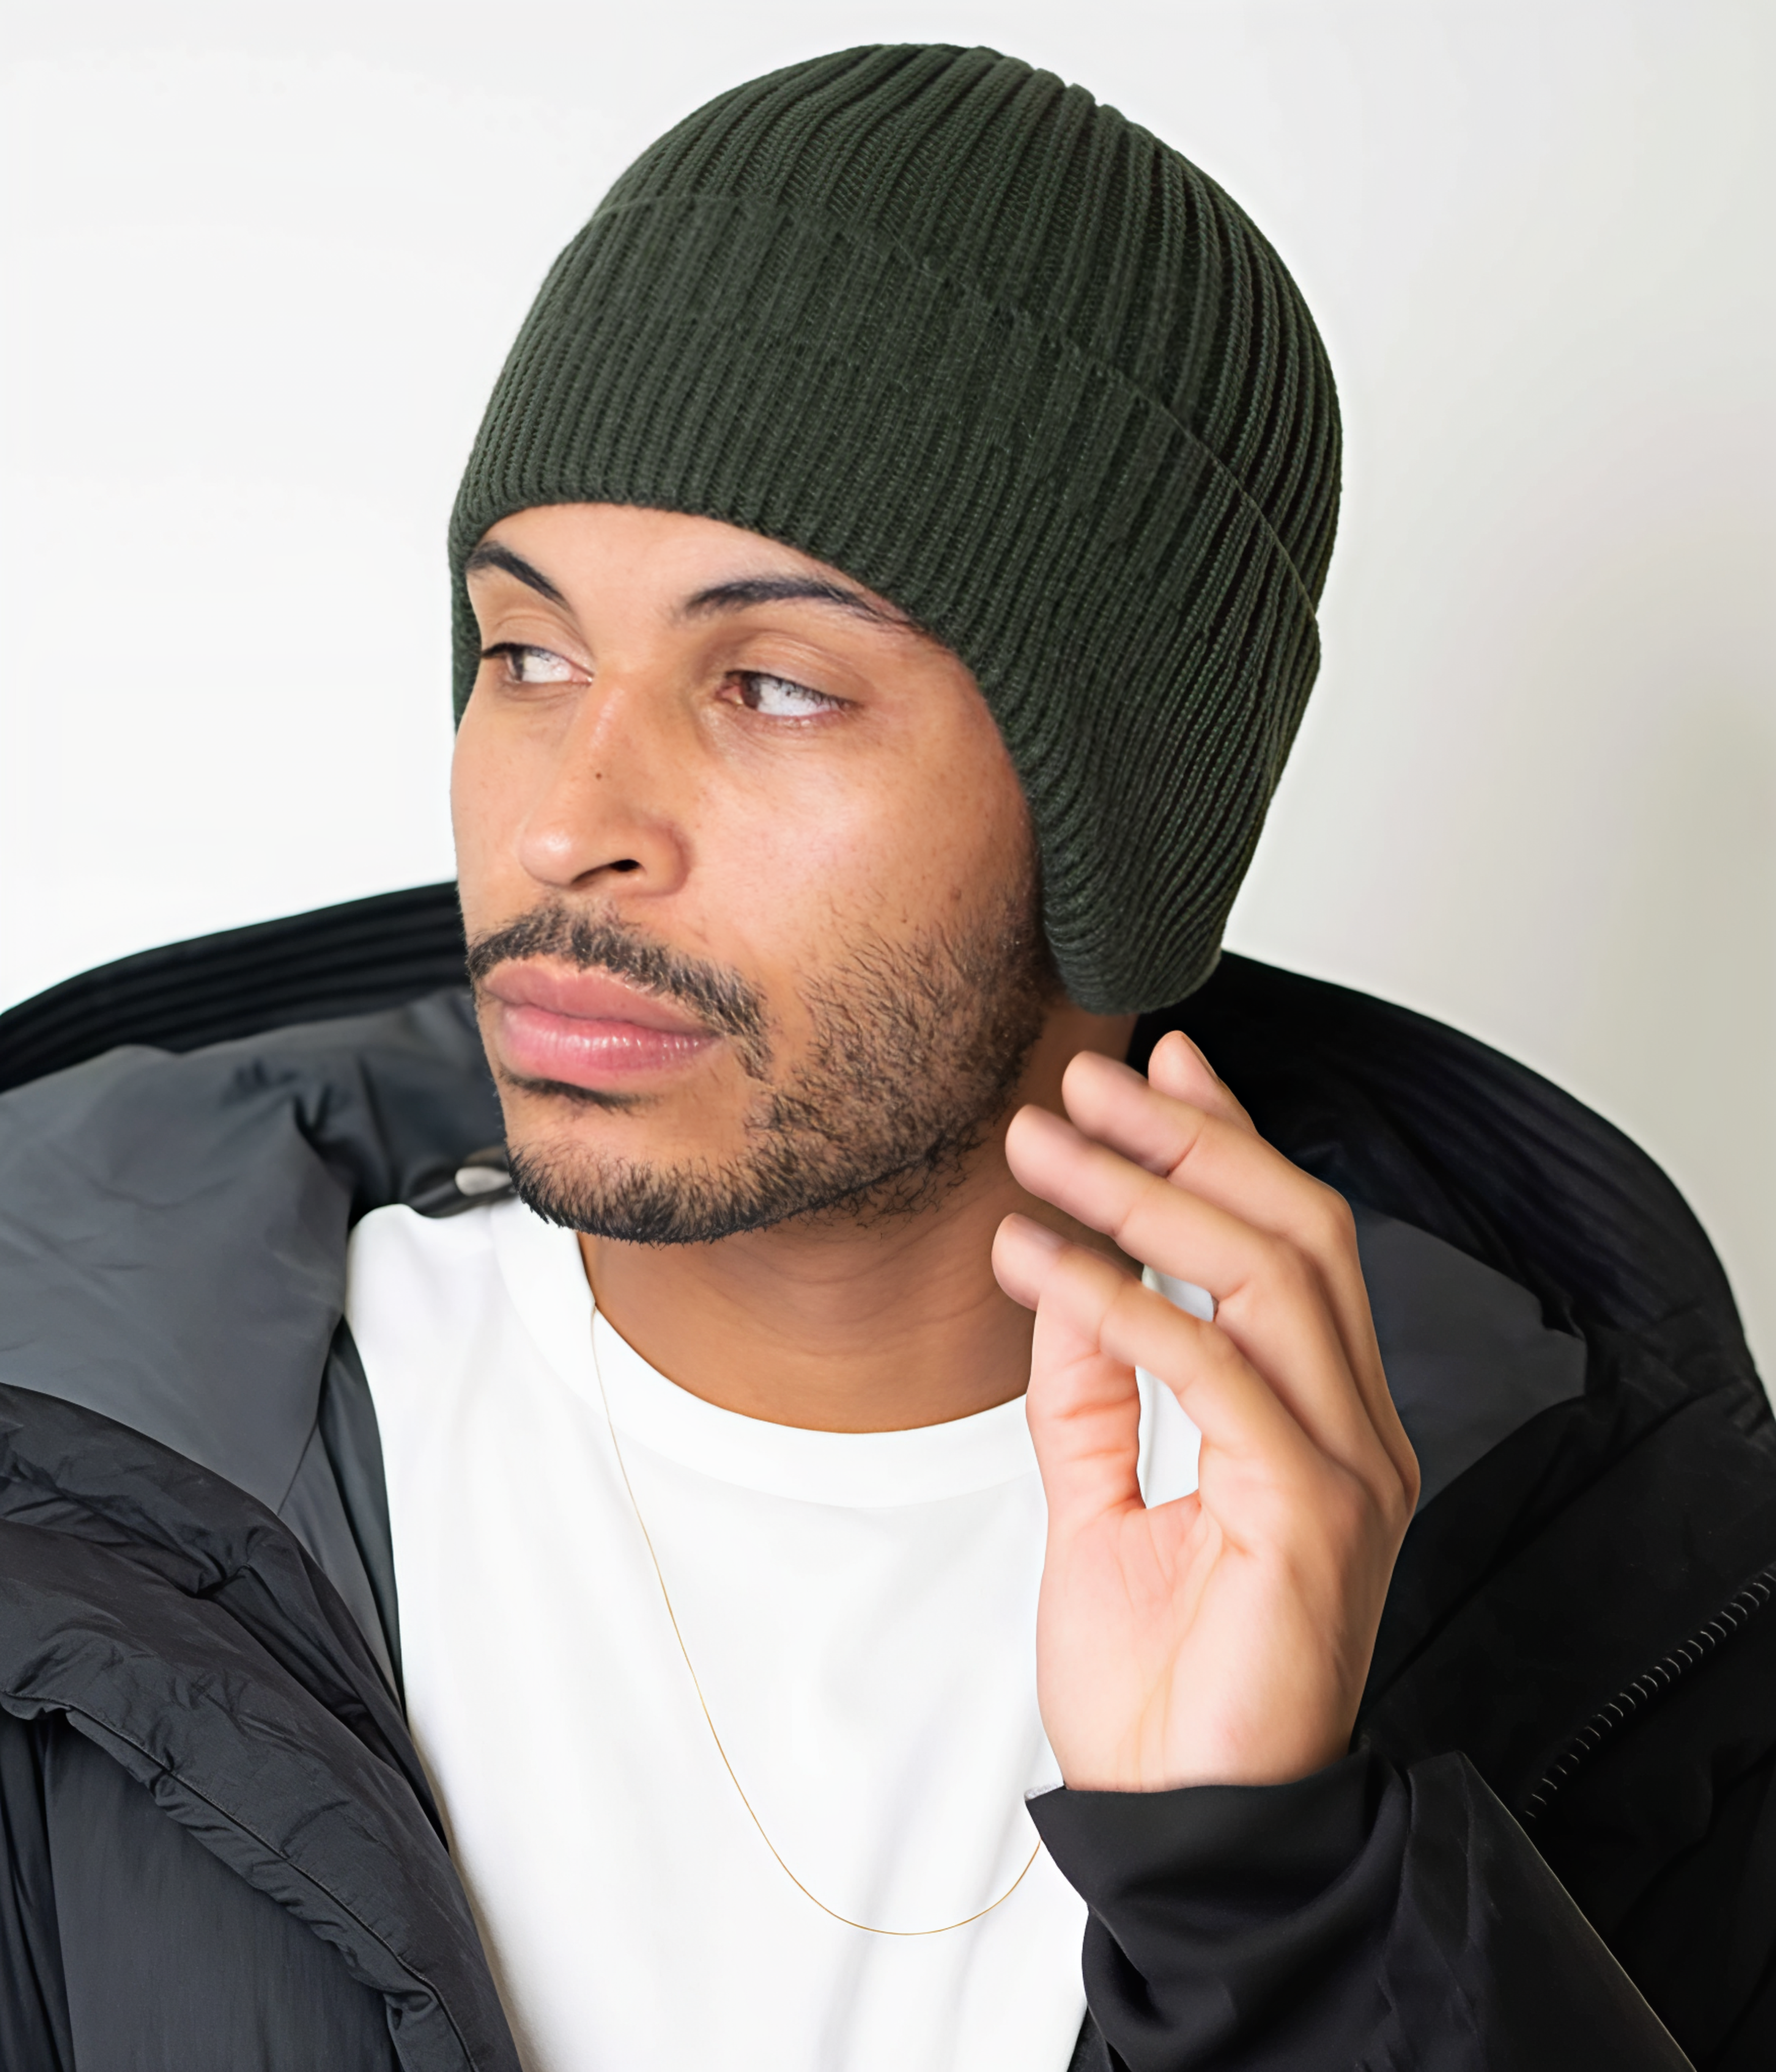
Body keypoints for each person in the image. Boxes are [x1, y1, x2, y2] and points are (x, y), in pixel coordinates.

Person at [0, 41, 1770, 2072]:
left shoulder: (1609, 1580)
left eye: (770, 684)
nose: (572, 816)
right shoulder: (74, 1463)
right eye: (526, 653)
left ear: (1126, 822)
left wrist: (1277, 1889)